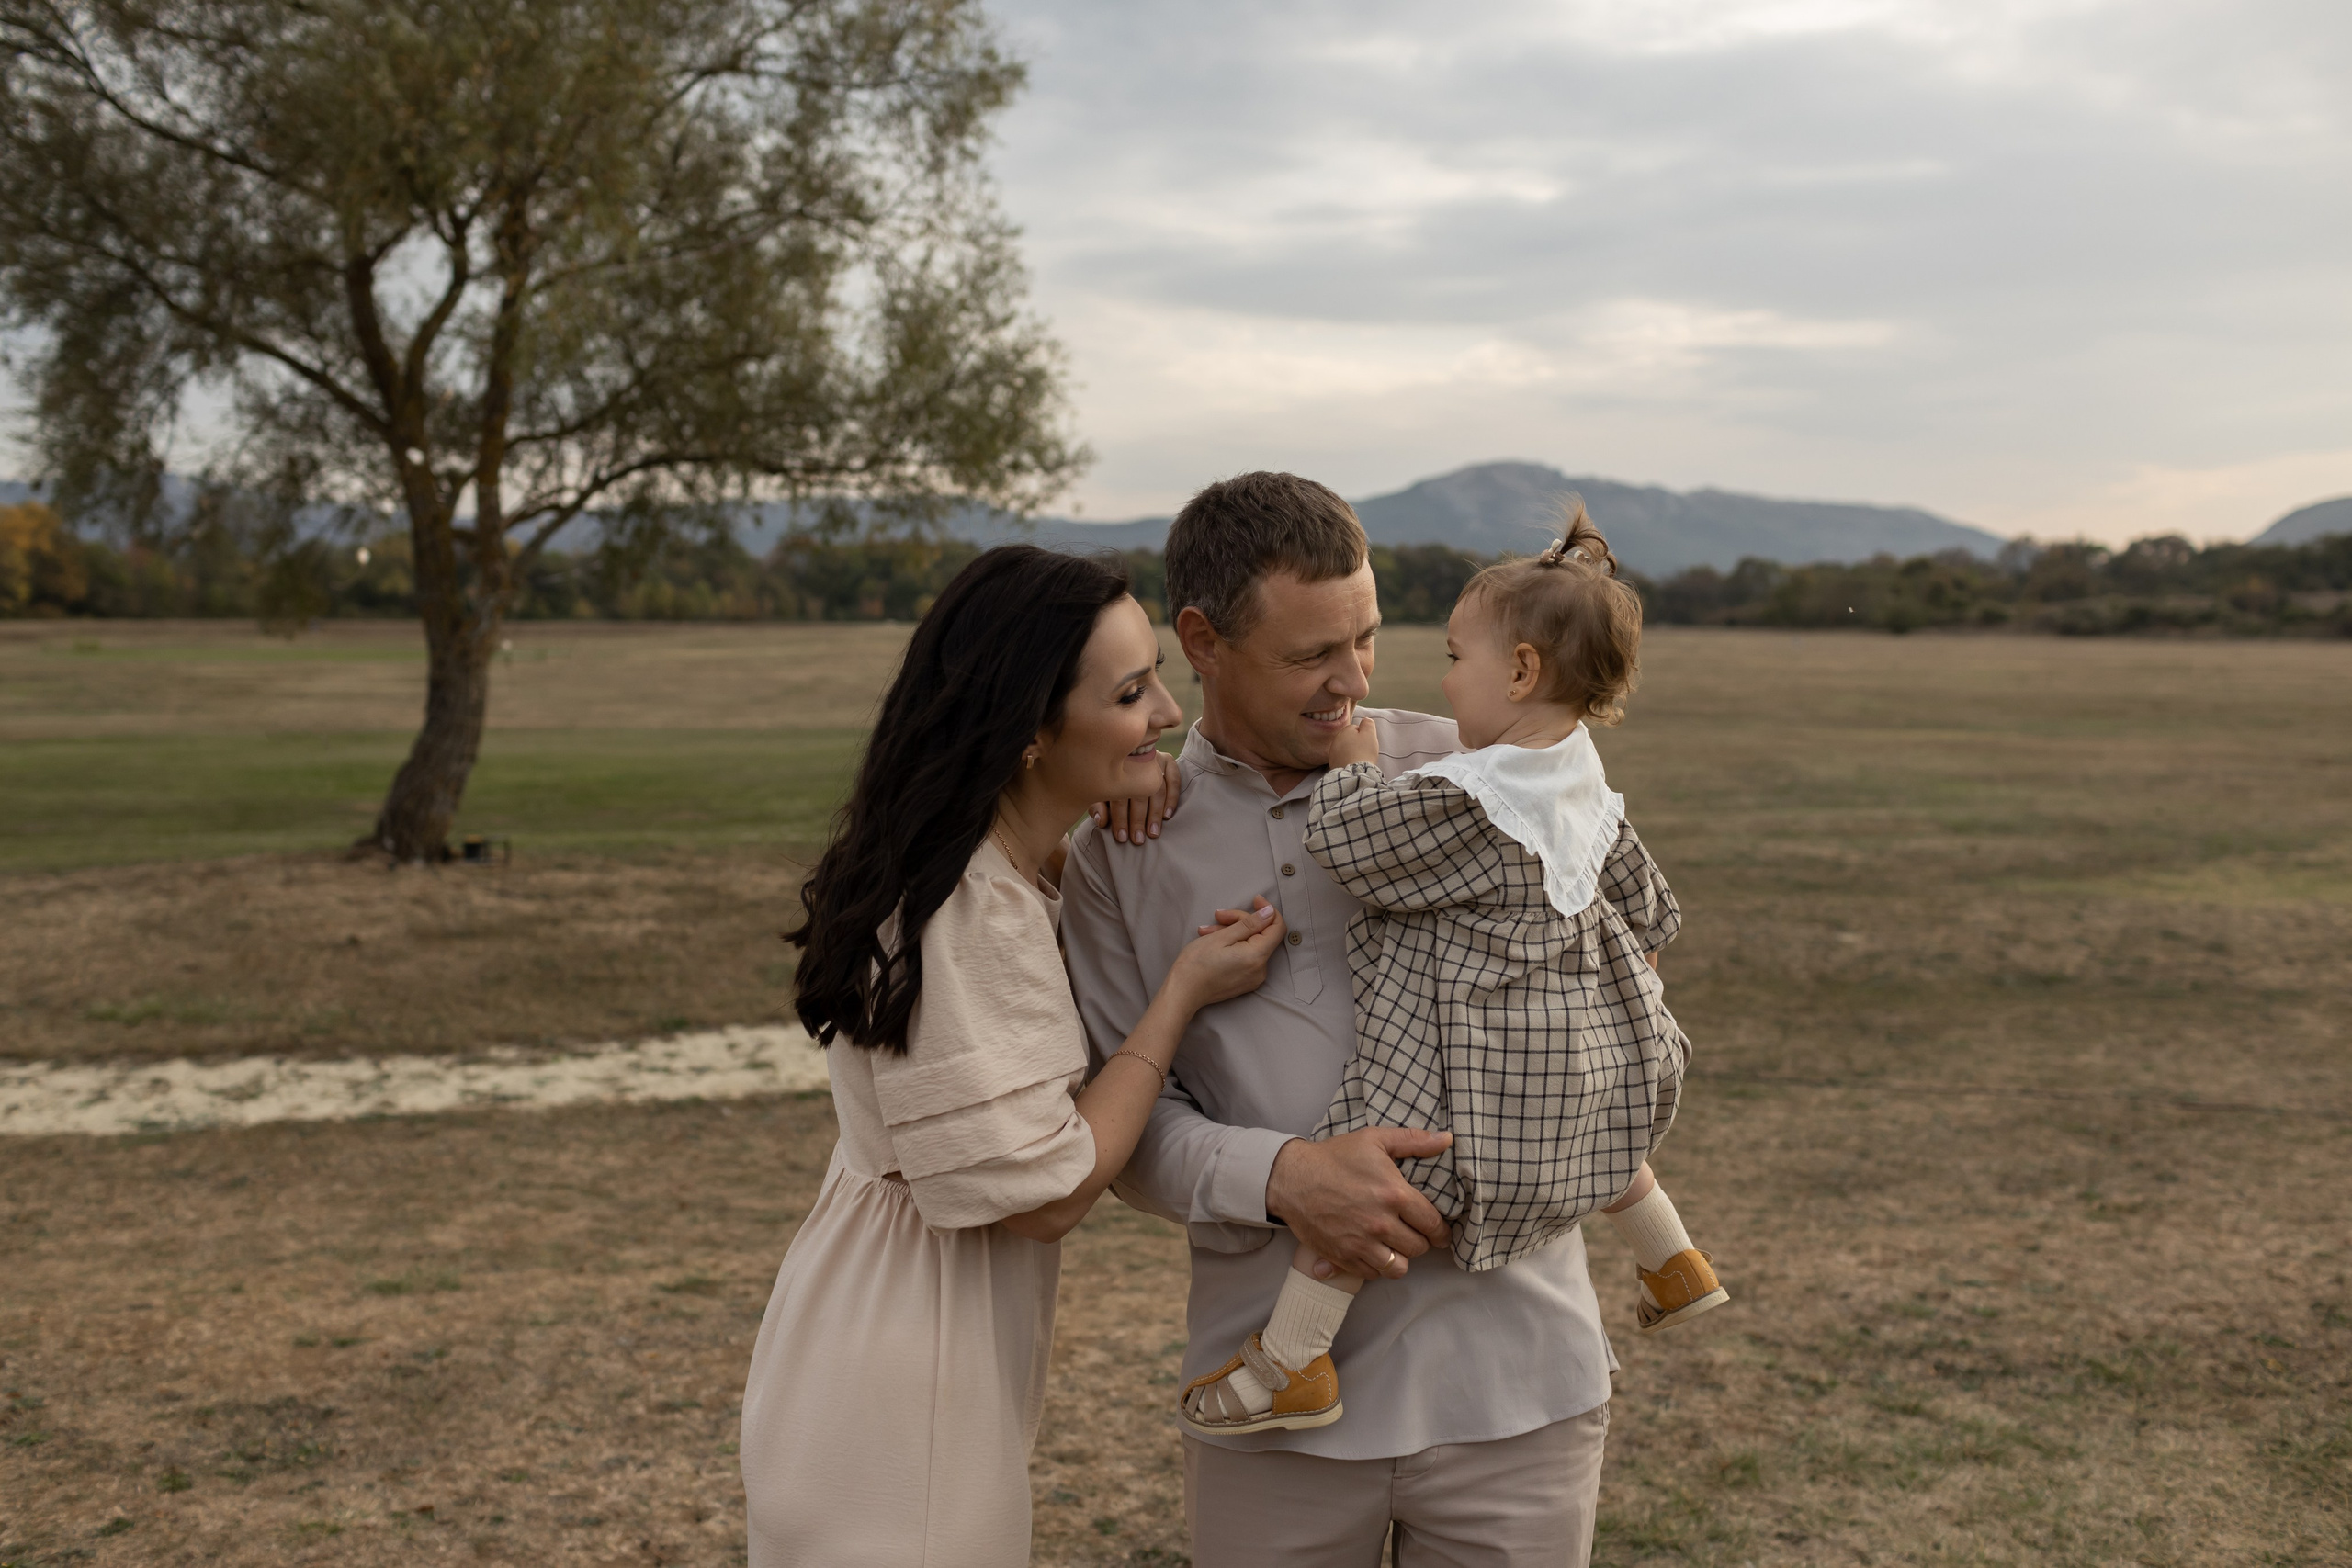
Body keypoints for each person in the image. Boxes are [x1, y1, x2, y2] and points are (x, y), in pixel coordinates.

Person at [1059, 472, 1612, 1566]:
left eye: (1365, 638)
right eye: (1311, 656)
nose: (1351, 682)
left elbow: (1605, 993)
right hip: (1273, 1412)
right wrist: (1285, 1178)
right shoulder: (1118, 849)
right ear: (1201, 641)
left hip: (1521, 1386)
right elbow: (1124, 1130)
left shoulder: (1481, 770)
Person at [739, 545, 1290, 1568]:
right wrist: (1176, 998)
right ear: (1030, 729)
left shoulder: (990, 861)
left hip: (866, 1324)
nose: (1167, 714)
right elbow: (1044, 1197)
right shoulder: (969, 911)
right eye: (1131, 694)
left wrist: (1115, 786)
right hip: (908, 1368)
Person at [1178, 498, 1726, 1445]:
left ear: (1519, 671)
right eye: (1316, 653)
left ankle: (1293, 1361)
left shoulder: (1465, 795)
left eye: (1449, 656)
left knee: (1377, 1158)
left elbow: (1353, 846)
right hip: (1584, 1040)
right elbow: (1649, 905)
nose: (1429, 681)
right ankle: (1672, 1263)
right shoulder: (1577, 777)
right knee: (1593, 1123)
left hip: (1458, 1033)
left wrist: (1352, 768)